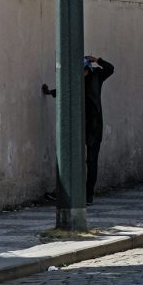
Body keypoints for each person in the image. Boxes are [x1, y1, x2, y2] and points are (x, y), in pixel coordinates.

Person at [42, 55, 115, 206]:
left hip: (93, 126)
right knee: (71, 159)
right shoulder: (75, 80)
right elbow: (64, 90)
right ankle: (66, 192)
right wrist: (50, 92)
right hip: (78, 124)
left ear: (87, 69)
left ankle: (88, 196)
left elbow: (110, 69)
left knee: (91, 161)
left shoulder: (96, 76)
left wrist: (97, 60)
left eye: (81, 70)